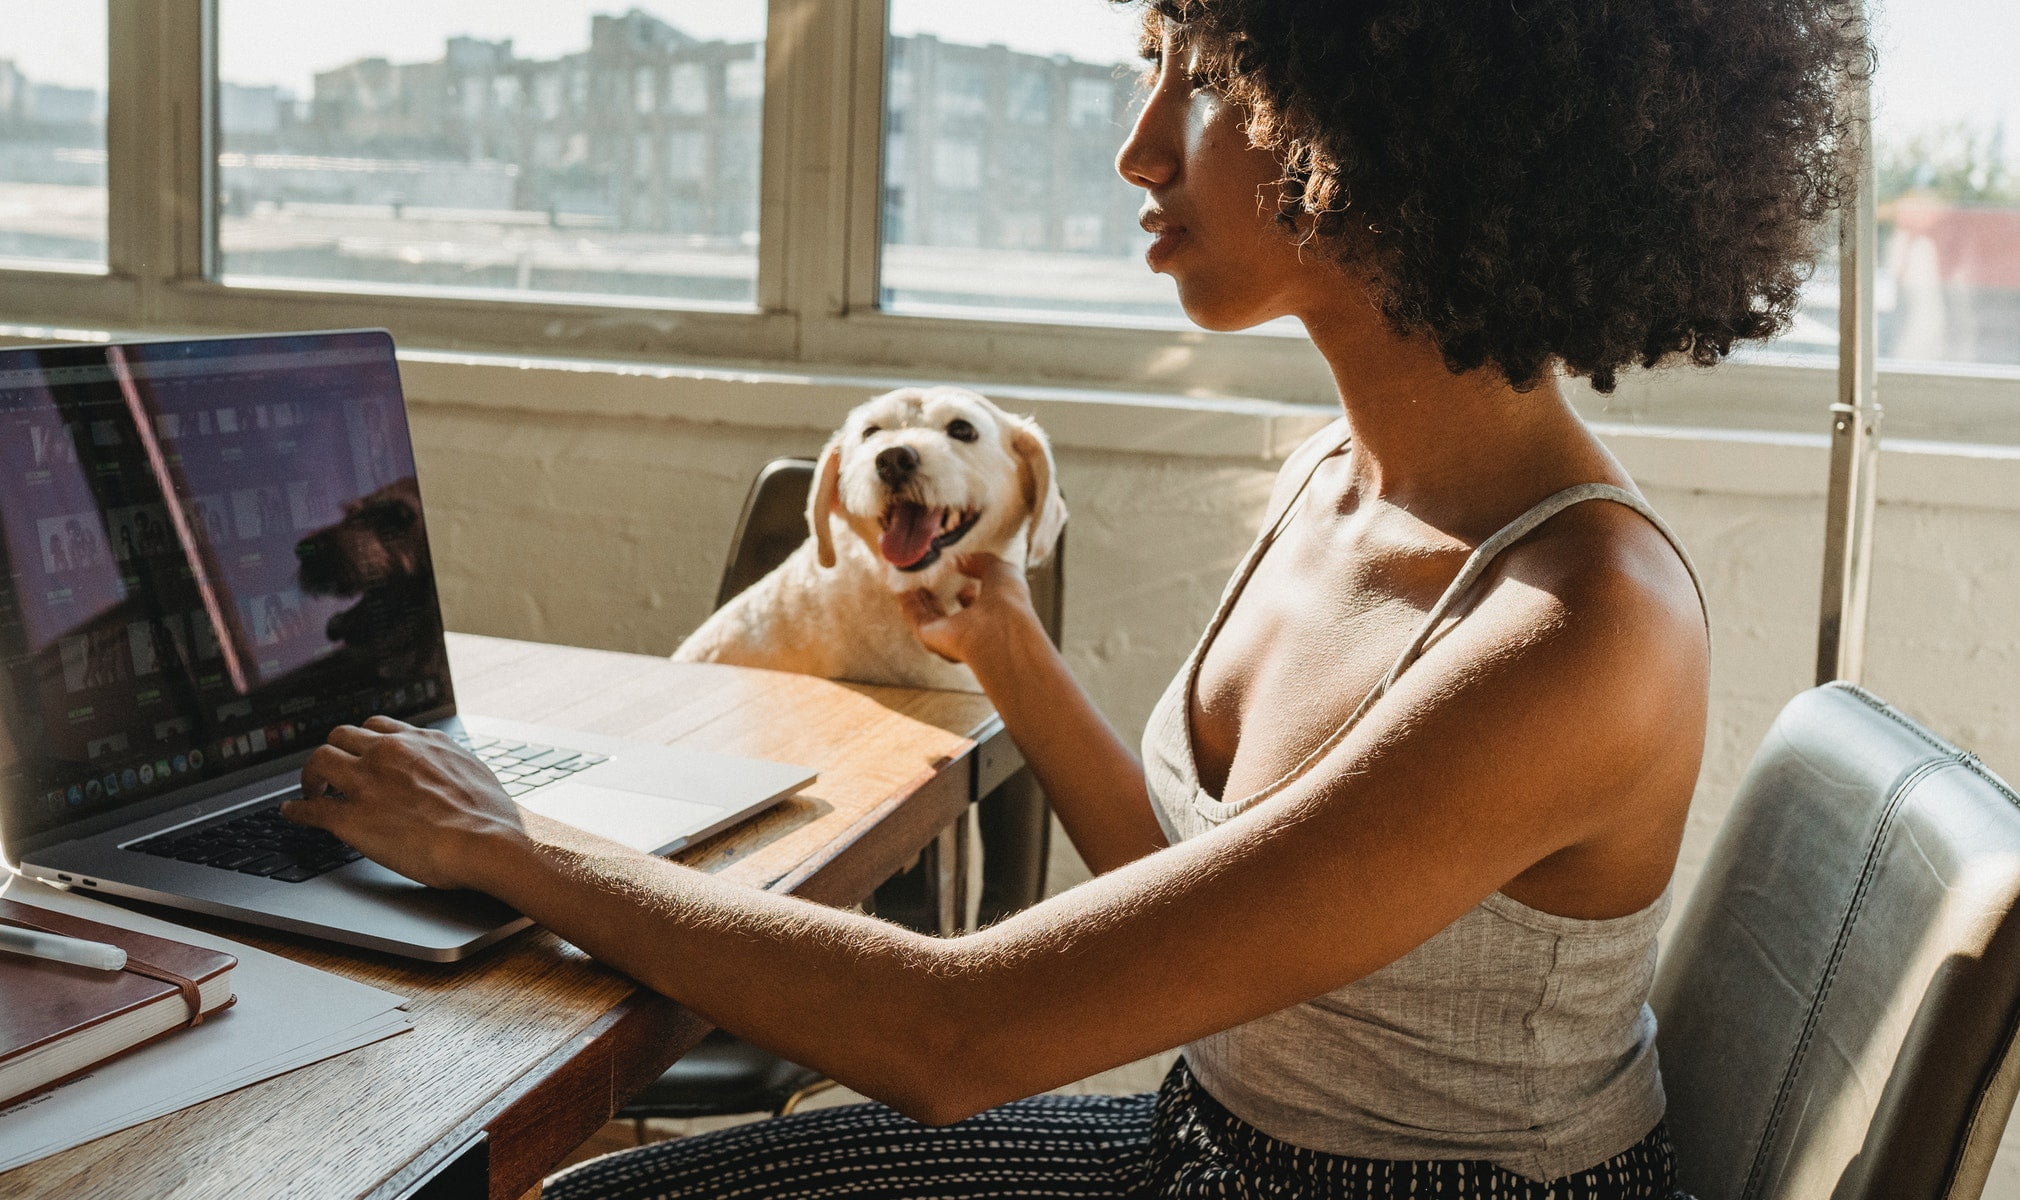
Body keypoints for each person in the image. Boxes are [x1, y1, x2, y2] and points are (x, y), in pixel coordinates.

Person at [281, 1, 1866, 1196]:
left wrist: (504, 838)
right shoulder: (1336, 478)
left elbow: (962, 1037)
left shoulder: (1577, 632)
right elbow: (1195, 895)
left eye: (1208, 76)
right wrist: (1011, 650)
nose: (1140, 142)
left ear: (1403, 126)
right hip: (1210, 1138)